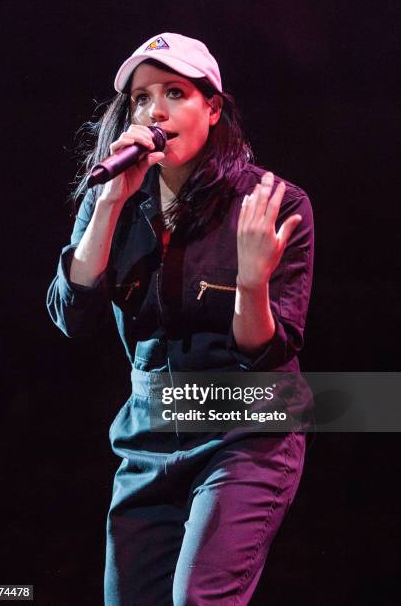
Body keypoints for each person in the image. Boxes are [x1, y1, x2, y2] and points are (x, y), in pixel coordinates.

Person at [47, 32, 314, 606]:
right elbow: (72, 314)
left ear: (213, 108)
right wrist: (112, 203)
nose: (155, 111)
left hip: (244, 429)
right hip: (148, 434)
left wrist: (251, 281)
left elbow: (266, 355)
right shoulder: (114, 196)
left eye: (174, 92)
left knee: (200, 598)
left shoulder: (272, 204)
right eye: (141, 99)